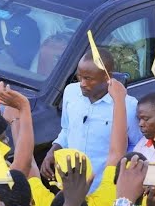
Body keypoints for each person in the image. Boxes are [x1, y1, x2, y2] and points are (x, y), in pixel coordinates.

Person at [40, 51, 134, 192]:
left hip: (103, 191)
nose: (82, 83)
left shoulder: (128, 107)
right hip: (70, 190)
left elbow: (135, 146)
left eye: (88, 78)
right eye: (79, 76)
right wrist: (53, 150)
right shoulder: (70, 92)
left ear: (107, 76)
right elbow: (67, 129)